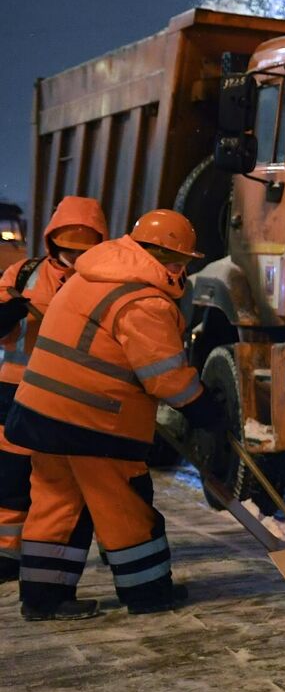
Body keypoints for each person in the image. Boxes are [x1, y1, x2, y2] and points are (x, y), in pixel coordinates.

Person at [5, 209, 219, 620]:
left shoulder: (90, 277)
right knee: (125, 508)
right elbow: (166, 377)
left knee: (55, 504)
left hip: (39, 413)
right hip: (93, 422)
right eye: (180, 262)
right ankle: (149, 593)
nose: (181, 271)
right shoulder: (144, 300)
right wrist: (201, 406)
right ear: (163, 257)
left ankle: (43, 598)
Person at [0, 196, 109, 584]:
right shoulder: (23, 274)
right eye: (67, 251)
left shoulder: (104, 282)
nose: (74, 259)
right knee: (11, 480)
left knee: (71, 484)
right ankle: (6, 556)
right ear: (51, 243)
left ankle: (107, 552)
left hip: (74, 397)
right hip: (14, 392)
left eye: (83, 251)